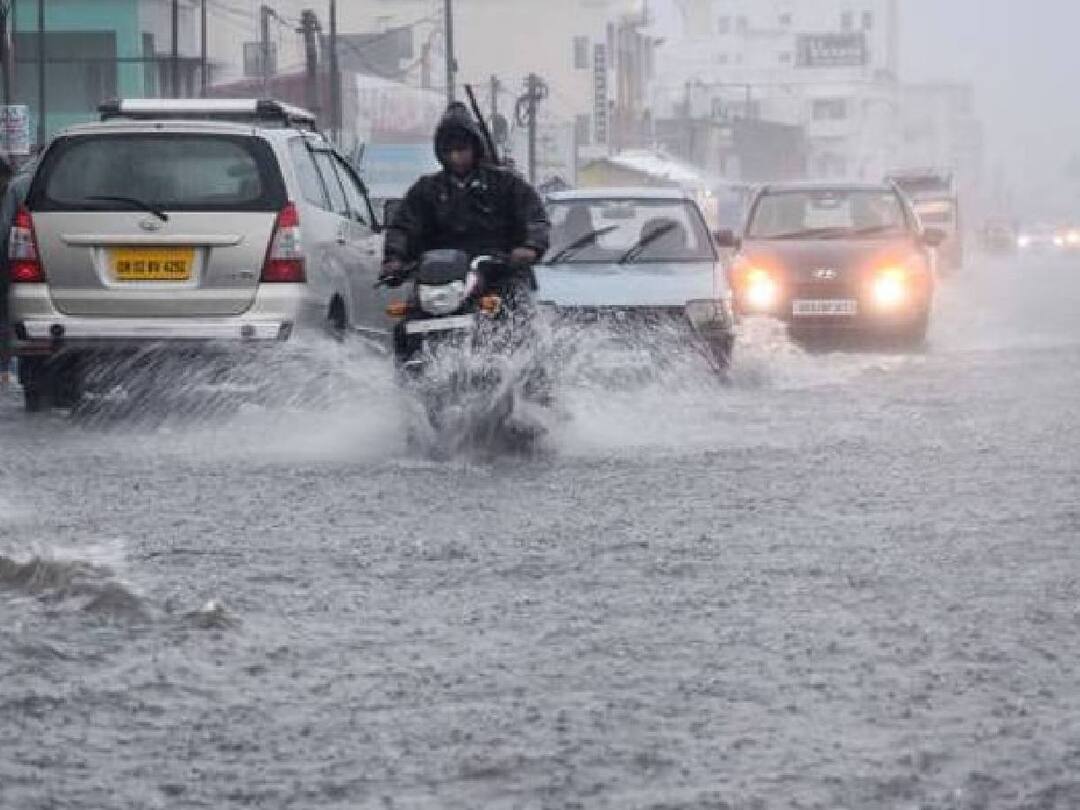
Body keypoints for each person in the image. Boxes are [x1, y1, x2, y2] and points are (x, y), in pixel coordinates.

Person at [379, 102, 550, 301]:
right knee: (407, 319)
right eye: (448, 151)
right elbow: (403, 227)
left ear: (475, 147)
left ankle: (518, 330)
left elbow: (535, 217)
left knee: (515, 308)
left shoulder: (506, 184)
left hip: (498, 275)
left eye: (461, 149)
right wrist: (394, 259)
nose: (455, 157)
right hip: (438, 283)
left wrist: (530, 247)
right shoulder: (425, 190)